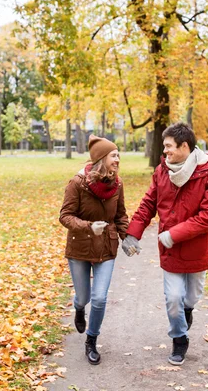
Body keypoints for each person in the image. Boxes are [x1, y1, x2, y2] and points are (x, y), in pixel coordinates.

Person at [122, 123, 208, 366]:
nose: (165, 151)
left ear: (184, 146)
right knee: (173, 298)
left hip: (197, 248)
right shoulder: (161, 172)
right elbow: (148, 204)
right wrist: (132, 234)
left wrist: (174, 234)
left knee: (191, 296)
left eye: (169, 146)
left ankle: (187, 310)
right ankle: (179, 339)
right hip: (170, 250)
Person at [59, 134, 129, 365]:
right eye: (113, 155)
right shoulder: (77, 183)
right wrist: (89, 227)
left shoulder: (117, 184)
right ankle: (79, 308)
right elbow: (65, 216)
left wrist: (127, 237)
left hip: (106, 247)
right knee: (85, 297)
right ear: (101, 159)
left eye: (118, 155)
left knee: (99, 298)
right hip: (80, 246)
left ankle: (91, 340)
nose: (118, 159)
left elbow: (120, 215)